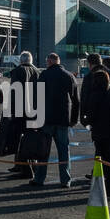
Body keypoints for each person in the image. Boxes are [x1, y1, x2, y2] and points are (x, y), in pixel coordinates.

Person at [30, 52, 80, 188]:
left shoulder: (45, 75)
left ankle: (39, 178)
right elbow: (76, 100)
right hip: (63, 119)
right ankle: (65, 179)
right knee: (64, 151)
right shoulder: (69, 76)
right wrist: (74, 119)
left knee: (43, 150)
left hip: (47, 119)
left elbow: (37, 97)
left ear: (50, 61)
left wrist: (36, 117)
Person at [5, 52, 41, 175]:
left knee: (18, 139)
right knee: (31, 138)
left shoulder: (18, 71)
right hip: (35, 110)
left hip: (21, 110)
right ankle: (31, 164)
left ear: (21, 60)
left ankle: (24, 167)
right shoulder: (38, 72)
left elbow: (15, 92)